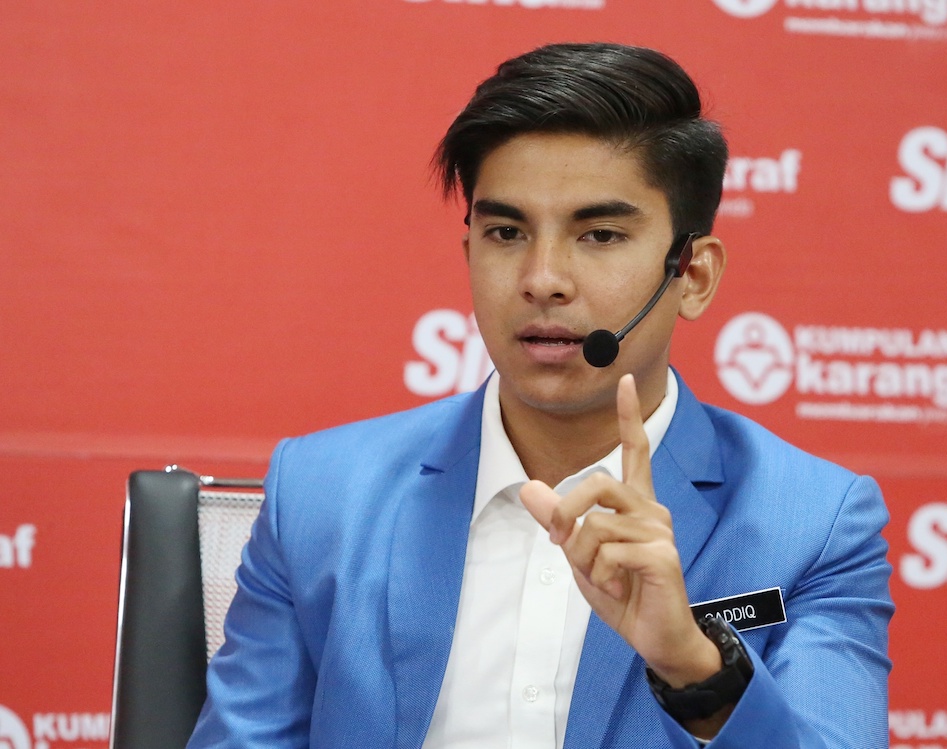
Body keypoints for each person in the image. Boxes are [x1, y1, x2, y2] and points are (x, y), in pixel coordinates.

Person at [187, 43, 893, 748]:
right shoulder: (319, 492)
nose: (543, 278)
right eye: (506, 232)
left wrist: (693, 665)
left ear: (694, 274)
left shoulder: (813, 524)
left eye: (600, 234)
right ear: (469, 254)